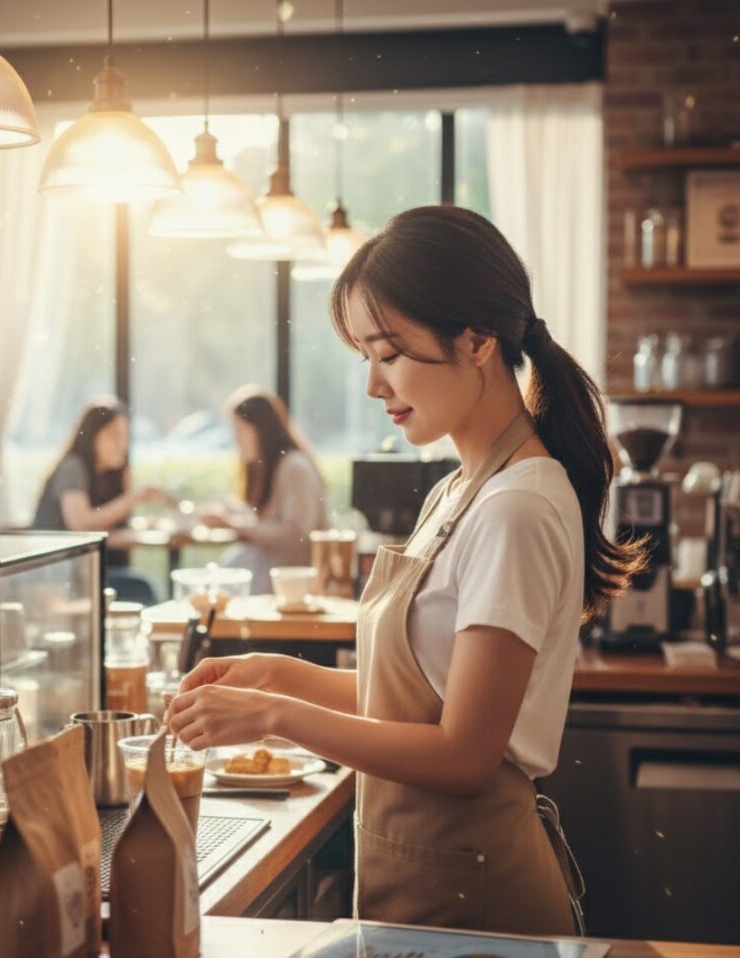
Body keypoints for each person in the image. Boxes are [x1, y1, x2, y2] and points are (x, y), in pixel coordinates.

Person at [167, 207, 646, 935]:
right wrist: (274, 671)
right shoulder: (461, 487)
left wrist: (273, 716)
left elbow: (465, 754)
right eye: (365, 355)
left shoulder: (517, 506)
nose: (372, 385)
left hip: (481, 907)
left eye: (388, 353)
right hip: (427, 894)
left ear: (477, 340)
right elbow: (415, 705)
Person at [32, 396, 162, 604]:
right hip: (60, 575)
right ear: (92, 436)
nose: (122, 444)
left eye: (125, 436)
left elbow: (105, 532)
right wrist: (131, 500)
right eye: (113, 435)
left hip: (86, 571)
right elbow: (81, 525)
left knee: (140, 587)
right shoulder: (73, 467)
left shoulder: (111, 475)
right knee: (142, 590)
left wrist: (142, 526)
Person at [200, 386, 328, 593]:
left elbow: (296, 537)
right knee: (215, 583)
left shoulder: (295, 467)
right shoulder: (268, 467)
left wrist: (236, 525)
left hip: (293, 578)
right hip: (273, 570)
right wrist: (231, 515)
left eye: (240, 430)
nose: (236, 440)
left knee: (220, 586)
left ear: (262, 429)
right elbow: (268, 521)